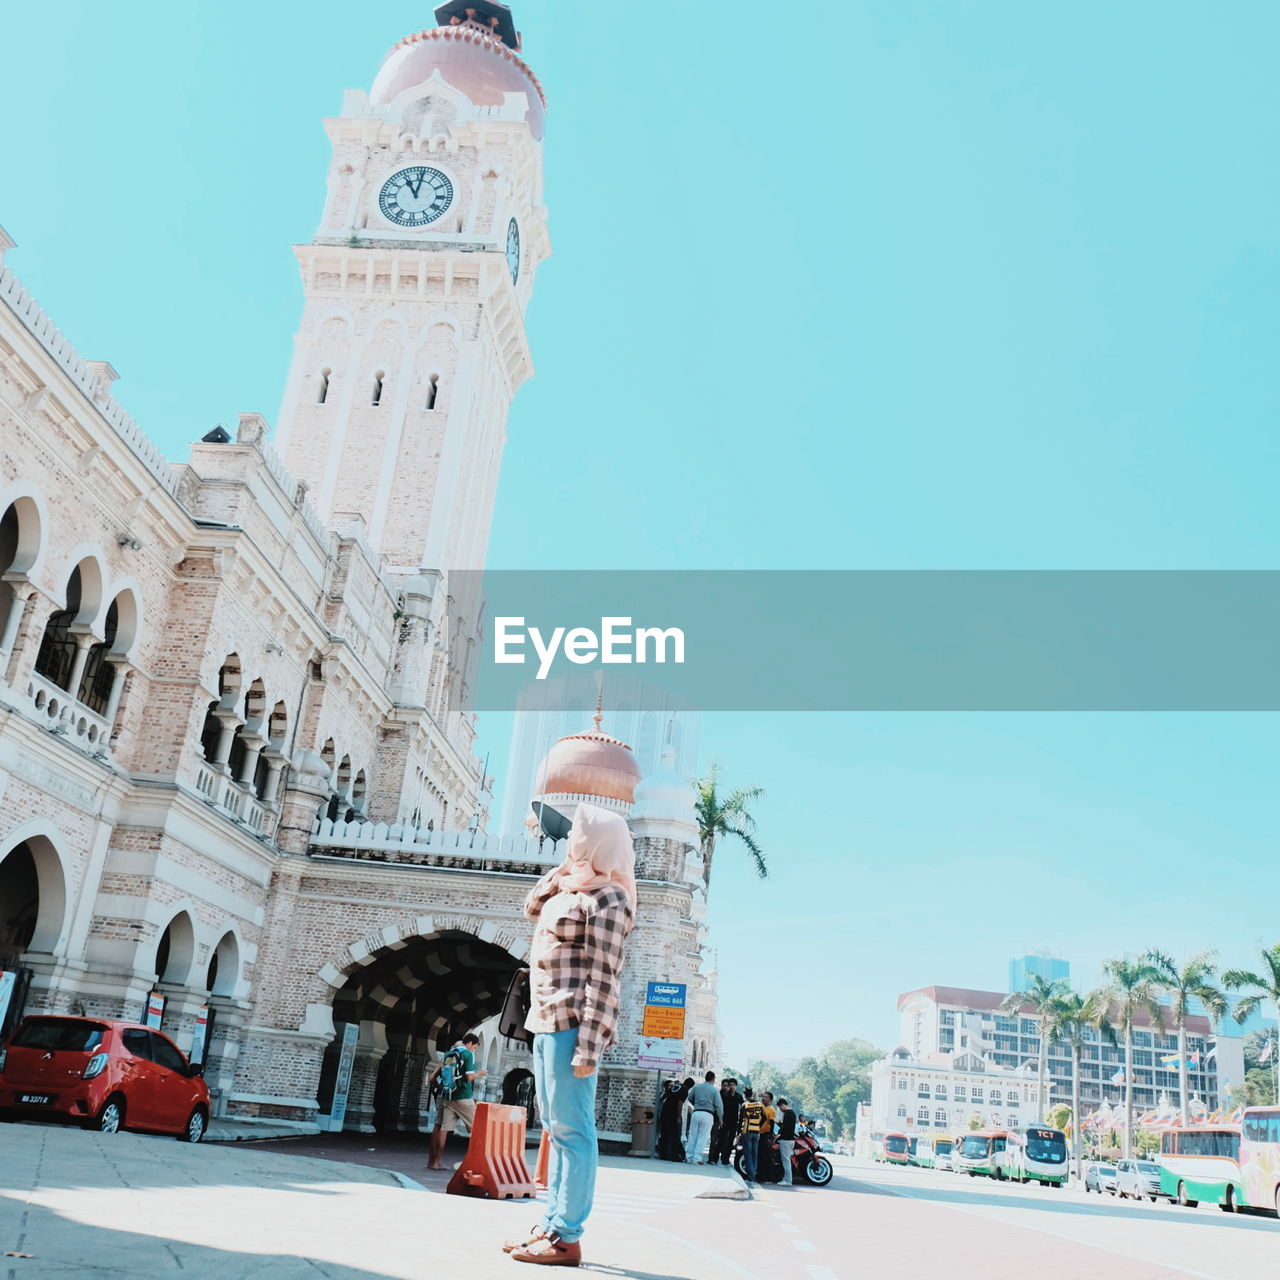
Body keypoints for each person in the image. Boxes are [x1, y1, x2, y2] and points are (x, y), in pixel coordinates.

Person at [505, 802, 636, 1267]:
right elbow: (531, 905)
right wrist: (564, 869)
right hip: (544, 1019)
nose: (573, 842)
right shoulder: (573, 885)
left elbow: (606, 975)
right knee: (555, 1128)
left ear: (600, 842)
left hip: (573, 1024)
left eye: (581, 836)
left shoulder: (610, 900)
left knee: (574, 1129)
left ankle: (567, 1236)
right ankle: (551, 1222)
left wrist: (591, 1044)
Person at [427, 1032, 485, 1171]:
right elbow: (469, 1077)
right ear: (470, 1043)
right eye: (475, 1047)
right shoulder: (468, 1054)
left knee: (443, 1129)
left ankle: (435, 1161)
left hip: (448, 1096)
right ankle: (475, 1164)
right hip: (463, 1096)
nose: (474, 1050)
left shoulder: (449, 1053)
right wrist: (480, 1073)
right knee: (477, 1128)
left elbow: (435, 1075)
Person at [686, 1070, 723, 1165]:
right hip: (708, 1114)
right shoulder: (714, 1090)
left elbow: (689, 1097)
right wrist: (720, 1117)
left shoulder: (697, 1087)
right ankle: (697, 1158)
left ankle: (689, 1157)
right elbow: (718, 1106)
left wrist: (697, 1104)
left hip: (696, 1112)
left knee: (692, 1135)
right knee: (703, 1136)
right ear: (713, 1079)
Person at [739, 1087, 767, 1184]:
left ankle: (750, 1177)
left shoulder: (745, 1105)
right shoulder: (760, 1105)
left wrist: (739, 1132)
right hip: (756, 1132)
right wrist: (758, 1124)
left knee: (748, 1154)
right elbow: (764, 1117)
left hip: (747, 1132)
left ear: (745, 1095)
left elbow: (741, 1120)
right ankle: (753, 1176)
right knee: (754, 1154)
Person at [713, 1078, 742, 1165]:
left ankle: (726, 1159)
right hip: (725, 1121)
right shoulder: (724, 1095)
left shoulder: (738, 1096)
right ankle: (715, 1158)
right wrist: (721, 1120)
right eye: (730, 1085)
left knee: (730, 1141)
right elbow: (720, 1108)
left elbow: (743, 1107)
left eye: (733, 1085)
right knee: (721, 1139)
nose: (732, 1087)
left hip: (734, 1122)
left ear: (736, 1086)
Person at [658, 1079, 686, 1161]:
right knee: (668, 1136)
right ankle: (669, 1154)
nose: (672, 1088)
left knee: (674, 1137)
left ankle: (678, 1154)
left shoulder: (674, 1094)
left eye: (672, 1086)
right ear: (665, 1087)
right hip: (666, 1118)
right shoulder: (664, 1096)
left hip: (672, 1117)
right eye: (670, 1086)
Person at [776, 1098, 797, 1186]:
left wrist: (778, 1133)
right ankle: (786, 1178)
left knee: (786, 1161)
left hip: (786, 1140)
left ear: (783, 1105)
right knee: (787, 1160)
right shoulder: (792, 1113)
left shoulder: (788, 1114)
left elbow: (785, 1127)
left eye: (780, 1107)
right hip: (791, 1139)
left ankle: (788, 1180)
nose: (780, 1109)